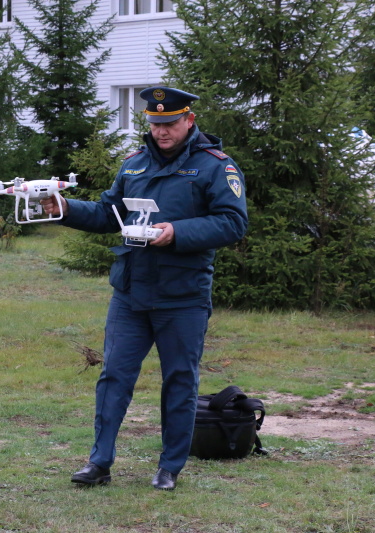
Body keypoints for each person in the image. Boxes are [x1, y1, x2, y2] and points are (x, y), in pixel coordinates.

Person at [41, 87, 248, 490]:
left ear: (188, 120)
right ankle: (99, 462)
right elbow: (108, 213)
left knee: (180, 381)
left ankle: (170, 466)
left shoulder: (215, 167)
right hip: (131, 293)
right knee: (114, 377)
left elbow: (232, 222)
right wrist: (65, 209)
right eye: (154, 124)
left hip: (183, 295)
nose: (161, 132)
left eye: (169, 123)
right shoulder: (134, 164)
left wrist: (176, 233)